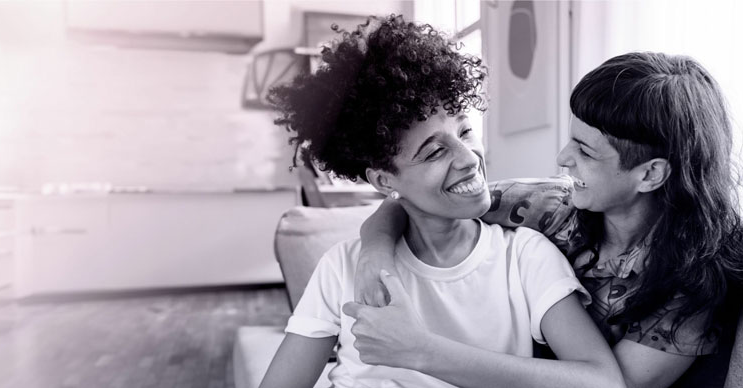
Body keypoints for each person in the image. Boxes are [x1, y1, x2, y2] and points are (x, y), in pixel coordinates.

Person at [259, 14, 626, 388]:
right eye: (434, 152)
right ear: (385, 180)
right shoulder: (344, 266)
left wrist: (421, 351)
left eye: (465, 131)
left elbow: (603, 382)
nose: (469, 158)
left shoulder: (525, 257)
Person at [354, 51, 743, 388]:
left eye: (586, 152)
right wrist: (375, 254)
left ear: (650, 174)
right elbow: (417, 200)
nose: (562, 158)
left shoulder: (697, 276)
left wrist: (421, 351)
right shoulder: (550, 204)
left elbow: (613, 386)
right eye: (570, 137)